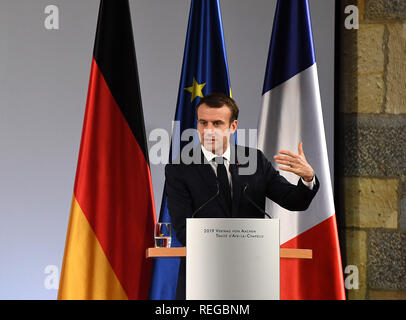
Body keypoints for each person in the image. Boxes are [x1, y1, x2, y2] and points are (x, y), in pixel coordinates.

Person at [164, 92, 319, 300]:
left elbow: (293, 201)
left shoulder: (253, 161)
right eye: (203, 123)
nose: (208, 130)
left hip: (252, 277)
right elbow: (184, 230)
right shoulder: (180, 169)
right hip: (203, 278)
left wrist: (308, 178)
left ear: (233, 127)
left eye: (217, 123)